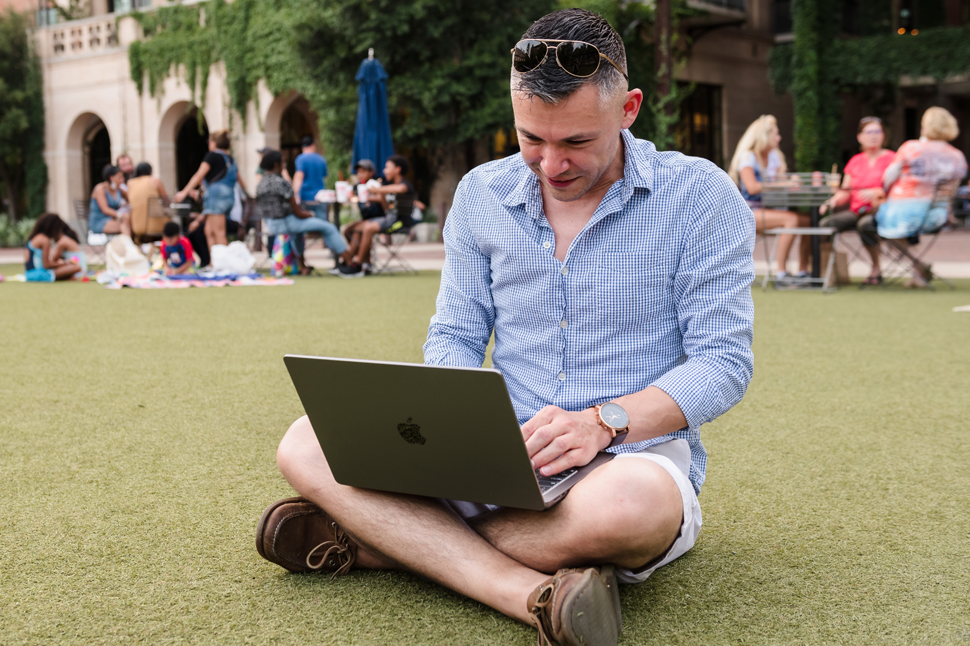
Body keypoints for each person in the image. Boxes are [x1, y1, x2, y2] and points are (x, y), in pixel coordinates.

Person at [257, 9, 754, 646]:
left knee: (635, 507)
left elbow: (723, 364)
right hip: (495, 453)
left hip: (626, 460)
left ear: (628, 109)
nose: (550, 165)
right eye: (530, 140)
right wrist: (452, 432)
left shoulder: (700, 196)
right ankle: (525, 594)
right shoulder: (481, 193)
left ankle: (384, 543)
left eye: (576, 142)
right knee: (304, 442)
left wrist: (604, 422)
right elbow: (456, 334)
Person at [876, 106, 968, 288]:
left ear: (925, 127)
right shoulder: (957, 156)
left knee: (877, 223)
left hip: (900, 215)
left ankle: (918, 263)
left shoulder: (911, 148)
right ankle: (918, 271)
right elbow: (954, 187)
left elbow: (887, 179)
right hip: (937, 216)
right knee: (901, 227)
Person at [728, 115, 810, 282]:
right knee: (792, 220)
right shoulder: (748, 157)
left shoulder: (774, 156)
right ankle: (782, 273)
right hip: (750, 211)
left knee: (808, 221)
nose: (779, 138)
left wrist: (792, 183)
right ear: (765, 136)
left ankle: (803, 271)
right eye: (776, 134)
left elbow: (782, 182)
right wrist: (784, 184)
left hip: (773, 209)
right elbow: (752, 187)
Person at [818, 117, 895, 286]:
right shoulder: (855, 161)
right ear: (860, 137)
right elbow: (845, 192)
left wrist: (878, 192)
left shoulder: (892, 158)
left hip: (879, 210)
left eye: (877, 132)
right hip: (856, 210)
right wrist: (831, 201)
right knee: (825, 224)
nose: (873, 136)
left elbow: (898, 189)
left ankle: (876, 268)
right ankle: (830, 270)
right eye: (869, 132)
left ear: (883, 135)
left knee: (865, 225)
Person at [256, 150, 353, 275]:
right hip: (287, 223)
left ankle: (303, 266)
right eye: (283, 163)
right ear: (276, 165)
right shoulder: (282, 183)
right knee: (329, 227)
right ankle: (350, 263)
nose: (283, 166)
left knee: (297, 233)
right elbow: (298, 213)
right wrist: (310, 214)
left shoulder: (260, 185)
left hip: (271, 226)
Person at [336, 155, 417, 278]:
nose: (384, 171)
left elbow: (400, 189)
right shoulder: (388, 185)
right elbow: (386, 208)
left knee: (368, 228)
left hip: (400, 222)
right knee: (353, 229)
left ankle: (358, 265)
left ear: (397, 169)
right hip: (389, 218)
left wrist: (378, 190)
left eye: (387, 167)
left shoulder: (404, 184)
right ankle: (363, 262)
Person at [173, 130, 247, 251]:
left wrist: (183, 192)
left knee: (218, 233)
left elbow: (198, 175)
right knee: (209, 231)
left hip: (216, 198)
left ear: (214, 143)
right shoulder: (231, 159)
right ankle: (214, 263)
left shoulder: (212, 156)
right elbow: (241, 182)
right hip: (228, 197)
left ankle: (224, 264)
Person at [24, 213, 81, 282]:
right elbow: (46, 265)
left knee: (71, 272)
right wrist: (66, 262)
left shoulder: (34, 237)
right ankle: (67, 278)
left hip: (29, 274)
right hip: (39, 274)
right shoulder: (45, 240)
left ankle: (68, 278)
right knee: (77, 267)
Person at [127, 162, 171, 240]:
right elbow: (166, 202)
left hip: (137, 226)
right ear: (150, 172)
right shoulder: (155, 181)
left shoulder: (130, 183)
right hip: (157, 226)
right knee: (170, 218)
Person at [88, 165, 131, 237]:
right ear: (111, 178)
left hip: (114, 219)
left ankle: (129, 245)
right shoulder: (100, 189)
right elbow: (105, 209)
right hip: (100, 221)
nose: (122, 180)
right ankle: (130, 246)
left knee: (130, 221)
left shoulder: (118, 189)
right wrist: (121, 215)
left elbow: (131, 199)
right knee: (125, 225)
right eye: (120, 177)